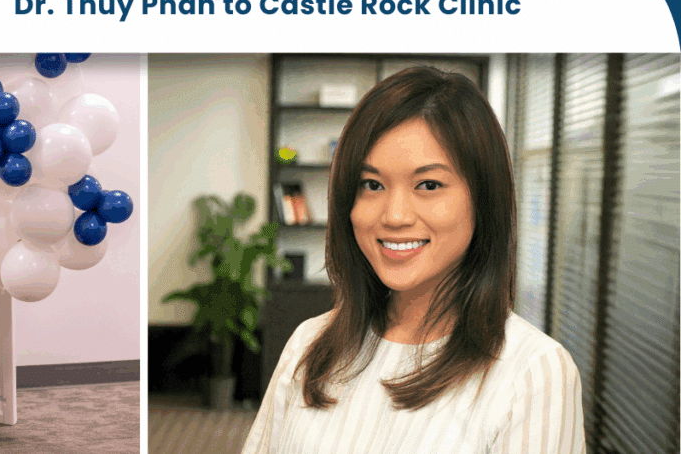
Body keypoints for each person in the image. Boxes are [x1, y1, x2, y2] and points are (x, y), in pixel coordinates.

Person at [242, 67, 585, 453]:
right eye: (372, 185)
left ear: (483, 198)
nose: (394, 216)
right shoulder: (310, 343)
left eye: (428, 185)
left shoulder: (534, 372)